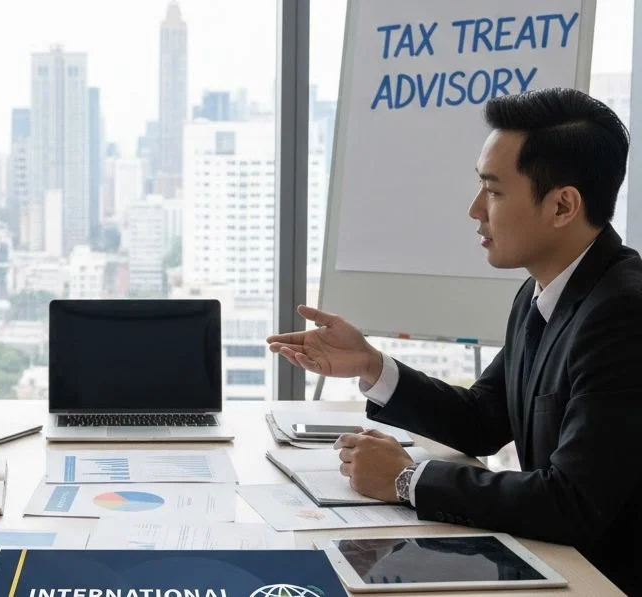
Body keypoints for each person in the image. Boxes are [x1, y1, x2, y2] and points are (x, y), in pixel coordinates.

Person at [267, 88, 642, 595]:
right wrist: (372, 365)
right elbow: (483, 420)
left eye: (494, 191)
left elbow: (572, 501)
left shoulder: (623, 313)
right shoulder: (545, 292)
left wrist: (406, 481)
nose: (474, 210)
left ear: (562, 205)